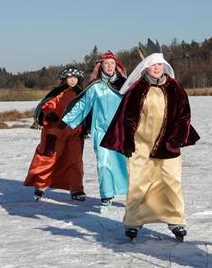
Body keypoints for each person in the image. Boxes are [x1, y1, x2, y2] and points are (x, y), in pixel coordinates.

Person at [101, 52, 199, 241]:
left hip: (168, 144)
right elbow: (127, 117)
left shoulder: (174, 86)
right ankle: (133, 221)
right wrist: (128, 142)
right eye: (153, 65)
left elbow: (184, 114)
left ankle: (175, 220)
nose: (157, 69)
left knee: (171, 181)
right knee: (139, 182)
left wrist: (177, 137)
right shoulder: (137, 88)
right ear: (146, 67)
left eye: (160, 66)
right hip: (141, 145)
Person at [62, 51, 129, 206]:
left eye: (112, 63)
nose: (109, 66)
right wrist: (67, 120)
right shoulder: (95, 87)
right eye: (106, 63)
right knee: (103, 161)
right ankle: (106, 194)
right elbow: (82, 105)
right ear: (101, 66)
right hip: (100, 130)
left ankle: (126, 191)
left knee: (120, 161)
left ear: (116, 66)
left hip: (119, 130)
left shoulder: (125, 85)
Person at [24, 68, 87, 201]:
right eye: (70, 78)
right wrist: (50, 114)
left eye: (75, 78)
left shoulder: (82, 94)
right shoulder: (57, 93)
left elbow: (87, 110)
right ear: (65, 79)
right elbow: (47, 105)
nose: (72, 80)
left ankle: (76, 189)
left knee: (74, 161)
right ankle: (40, 185)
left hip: (75, 133)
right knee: (48, 157)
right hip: (55, 131)